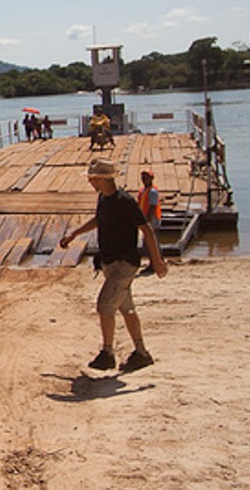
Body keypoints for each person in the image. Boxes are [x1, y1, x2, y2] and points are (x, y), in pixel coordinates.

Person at [58, 157, 168, 373]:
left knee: (104, 306)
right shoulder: (104, 199)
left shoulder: (124, 201)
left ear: (102, 178)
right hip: (110, 264)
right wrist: (74, 234)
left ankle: (107, 353)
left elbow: (146, 229)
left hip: (124, 263)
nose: (90, 181)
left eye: (92, 178)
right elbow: (99, 220)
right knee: (126, 309)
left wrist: (157, 261)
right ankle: (141, 353)